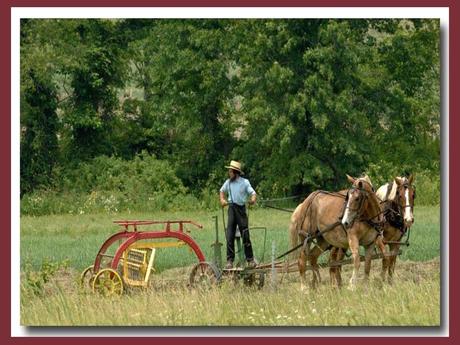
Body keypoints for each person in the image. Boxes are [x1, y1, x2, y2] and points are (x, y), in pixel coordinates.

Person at [219, 160, 257, 269]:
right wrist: (222, 199)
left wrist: (253, 200)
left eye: (230, 171)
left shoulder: (245, 182)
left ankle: (250, 259)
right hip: (231, 208)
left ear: (235, 172)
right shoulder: (228, 182)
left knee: (245, 234)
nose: (229, 173)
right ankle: (229, 261)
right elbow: (221, 191)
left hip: (241, 209)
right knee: (230, 234)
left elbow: (253, 193)